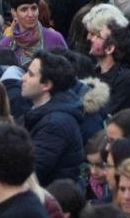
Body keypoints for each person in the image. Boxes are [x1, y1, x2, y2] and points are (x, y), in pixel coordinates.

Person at [19, 52, 84, 186]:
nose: (23, 78)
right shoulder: (40, 113)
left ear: (46, 85)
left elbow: (29, 173)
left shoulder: (55, 124)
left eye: (30, 74)